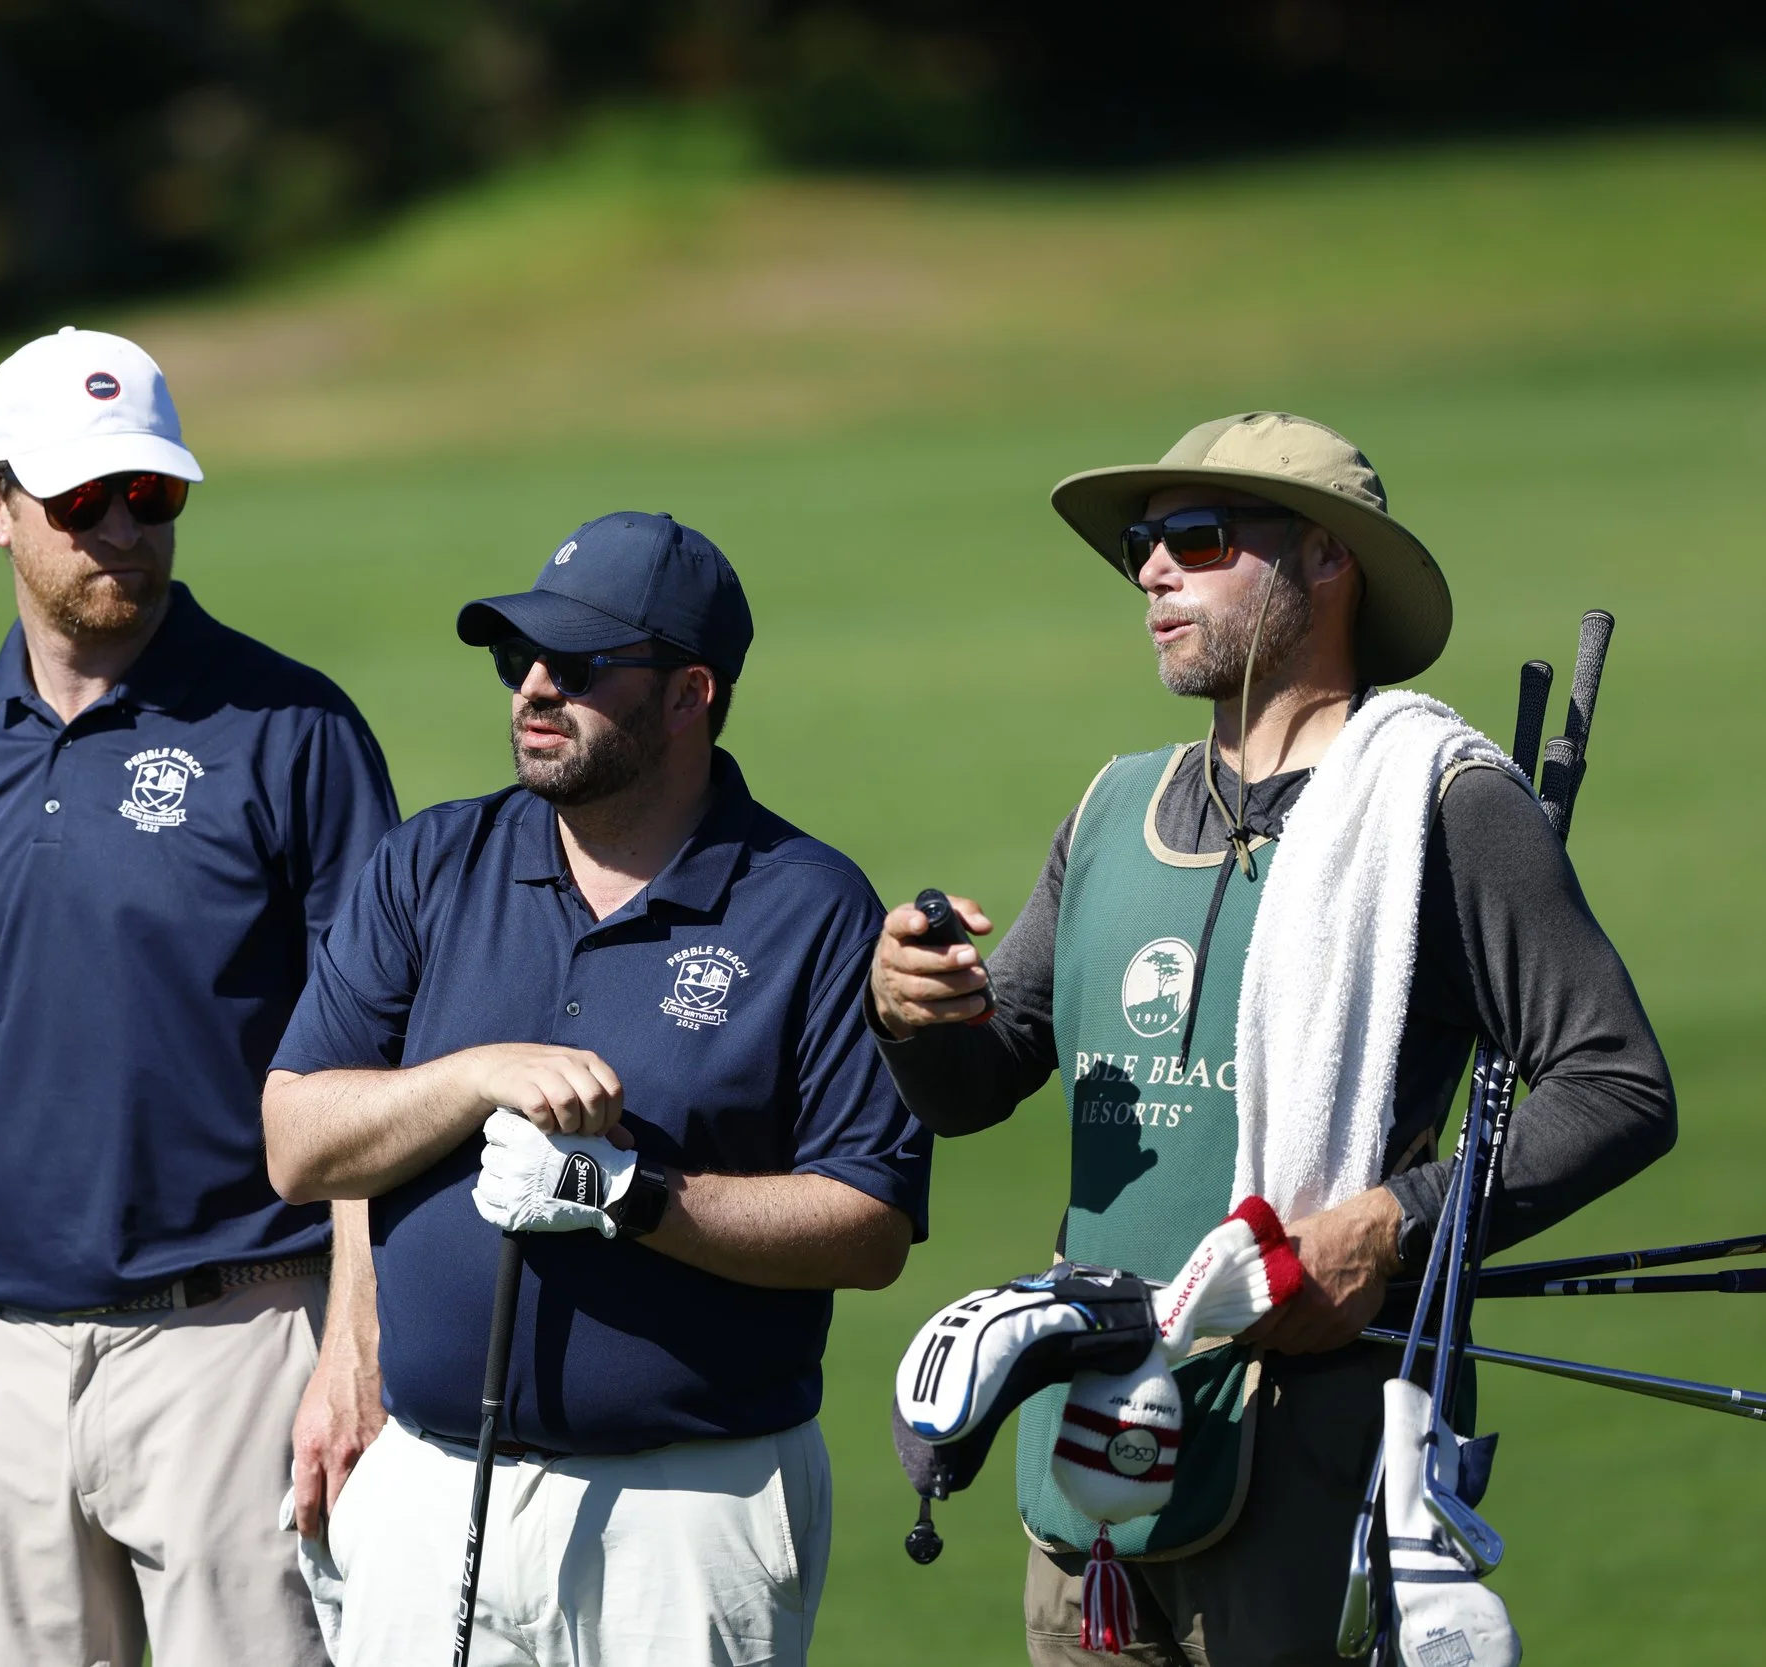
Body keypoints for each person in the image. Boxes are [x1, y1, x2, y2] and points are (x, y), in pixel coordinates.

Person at [868, 412, 1676, 1665]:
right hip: (1090, 1471)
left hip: (1315, 1471)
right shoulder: (1112, 803)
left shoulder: (1443, 802)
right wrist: (911, 1008)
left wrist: (1389, 1220)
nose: (1151, 570)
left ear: (1325, 560)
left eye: (1196, 538)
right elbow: (980, 1079)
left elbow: (1615, 1083)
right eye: (1144, 543)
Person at [0, 326, 398, 1666]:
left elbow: (376, 1078)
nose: (124, 529)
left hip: (238, 1348)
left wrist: (352, 1346)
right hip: (0, 1366)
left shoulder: (295, 734)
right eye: (83, 502)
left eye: (155, 495)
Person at [262, 510, 930, 1666]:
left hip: (689, 1510)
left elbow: (868, 1225)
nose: (531, 687)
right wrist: (473, 1078)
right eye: (517, 658)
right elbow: (297, 1140)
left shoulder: (811, 906)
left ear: (690, 694)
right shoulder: (429, 864)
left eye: (576, 668)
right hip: (430, 1488)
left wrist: (632, 1196)